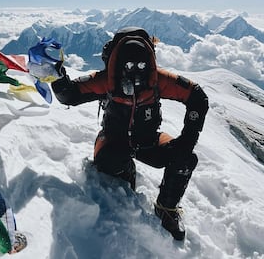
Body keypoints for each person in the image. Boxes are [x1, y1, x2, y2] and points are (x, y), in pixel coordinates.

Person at [51, 27, 209, 240]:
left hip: (147, 140)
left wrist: (186, 142)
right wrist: (56, 77)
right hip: (114, 140)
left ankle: (167, 208)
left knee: (185, 158)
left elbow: (198, 98)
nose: (136, 73)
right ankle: (126, 171)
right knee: (110, 164)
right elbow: (69, 95)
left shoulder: (121, 79)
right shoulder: (117, 79)